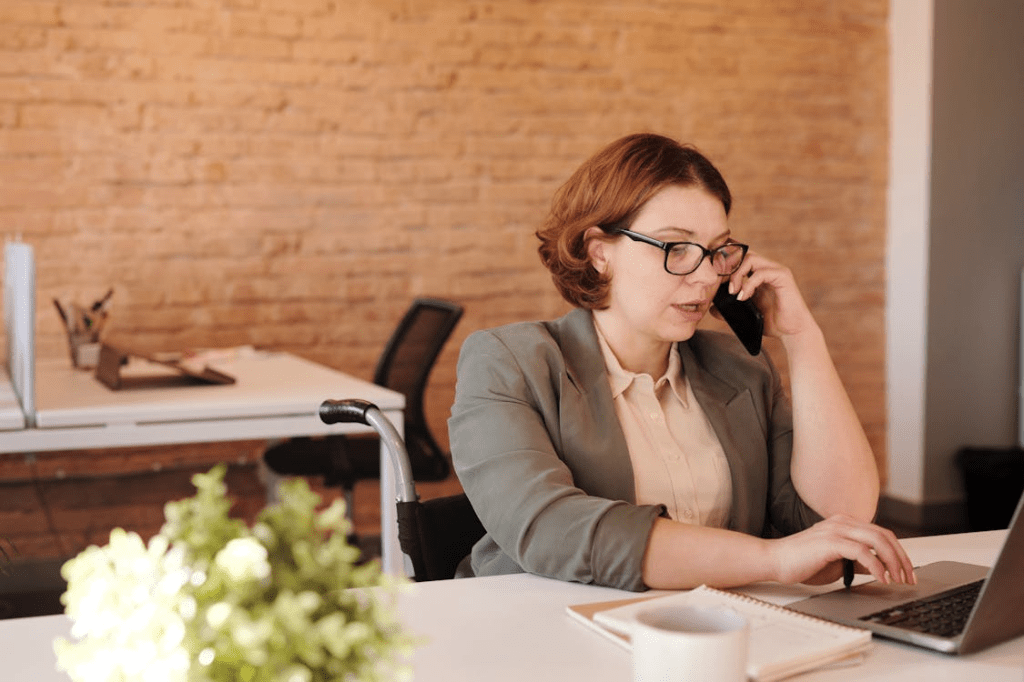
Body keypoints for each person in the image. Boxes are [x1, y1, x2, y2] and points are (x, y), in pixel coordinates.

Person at [447, 133, 915, 592]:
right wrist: (771, 559)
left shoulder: (739, 367)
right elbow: (549, 528)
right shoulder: (507, 362)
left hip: (706, 635)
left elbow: (839, 520)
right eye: (677, 247)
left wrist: (801, 337)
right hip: (541, 634)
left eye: (717, 250)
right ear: (600, 252)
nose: (708, 274)